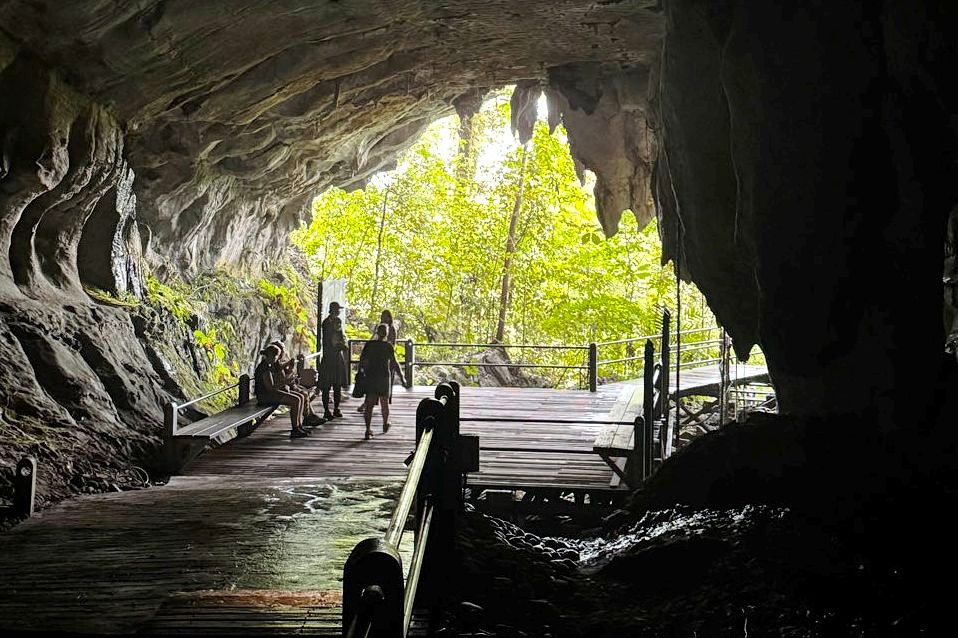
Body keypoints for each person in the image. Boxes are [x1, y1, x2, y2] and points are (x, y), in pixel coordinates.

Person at [358, 323, 406, 440]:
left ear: (377, 332)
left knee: (369, 404)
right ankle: (385, 423)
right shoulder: (388, 346)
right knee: (384, 402)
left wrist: (362, 372)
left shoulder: (369, 345)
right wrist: (402, 377)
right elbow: (394, 363)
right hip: (384, 376)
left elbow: (362, 360)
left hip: (371, 375)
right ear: (386, 333)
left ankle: (368, 429)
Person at [254, 344, 308, 438]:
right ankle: (295, 428)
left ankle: (299, 425)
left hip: (271, 393)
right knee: (295, 400)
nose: (277, 358)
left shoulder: (269, 365)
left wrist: (286, 380)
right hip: (265, 396)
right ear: (271, 356)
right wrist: (285, 381)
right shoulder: (264, 368)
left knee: (301, 397)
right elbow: (270, 388)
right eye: (276, 356)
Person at [270, 340, 324, 427]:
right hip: (282, 388)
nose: (284, 352)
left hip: (287, 386)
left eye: (283, 350)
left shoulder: (279, 362)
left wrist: (290, 369)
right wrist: (289, 379)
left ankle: (310, 416)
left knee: (304, 392)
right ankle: (306, 419)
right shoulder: (273, 364)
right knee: (302, 394)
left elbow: (287, 373)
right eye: (282, 350)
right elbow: (279, 380)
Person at [357, 309, 398, 413]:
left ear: (389, 317)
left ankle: (374, 406)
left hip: (385, 358)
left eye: (386, 316)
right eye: (382, 316)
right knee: (372, 383)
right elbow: (373, 340)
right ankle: (368, 404)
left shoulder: (391, 329)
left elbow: (392, 344)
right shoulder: (379, 327)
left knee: (380, 385)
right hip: (375, 359)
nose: (384, 318)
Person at [318, 301, 348, 420]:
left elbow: (341, 338)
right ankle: (326, 410)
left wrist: (342, 344)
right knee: (326, 386)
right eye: (338, 309)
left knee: (337, 385)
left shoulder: (337, 322)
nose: (339, 311)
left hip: (336, 358)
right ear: (334, 309)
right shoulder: (327, 323)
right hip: (329, 358)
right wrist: (341, 345)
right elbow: (331, 341)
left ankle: (336, 408)